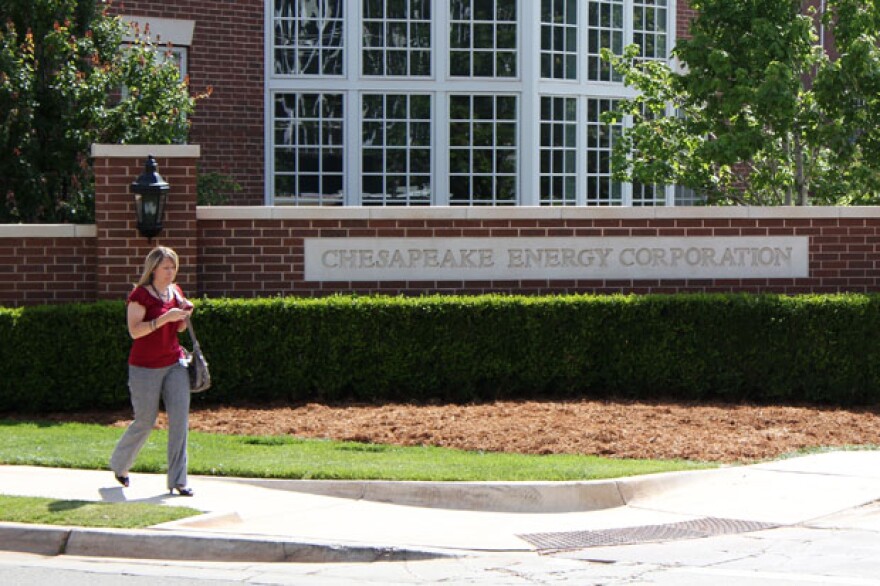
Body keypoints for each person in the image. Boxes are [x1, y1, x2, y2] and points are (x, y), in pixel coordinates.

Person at [110, 246, 195, 496]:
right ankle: (120, 465)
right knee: (146, 421)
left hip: (174, 363)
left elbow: (178, 329)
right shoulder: (140, 295)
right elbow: (135, 331)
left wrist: (183, 316)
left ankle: (178, 481)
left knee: (180, 421)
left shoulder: (175, 291)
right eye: (166, 267)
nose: (171, 272)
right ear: (153, 269)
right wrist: (164, 319)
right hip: (144, 367)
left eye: (173, 267)